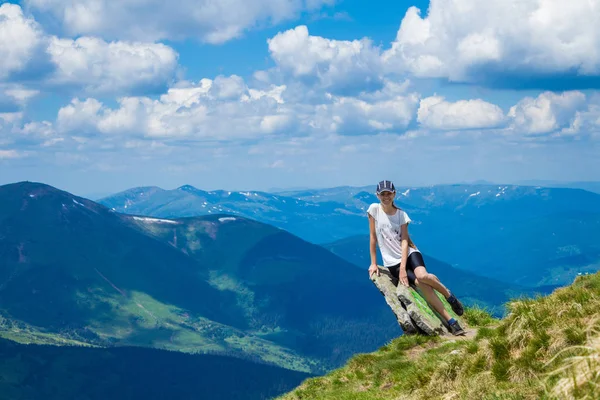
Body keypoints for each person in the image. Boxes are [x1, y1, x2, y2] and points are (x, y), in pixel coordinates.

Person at [367, 180, 466, 336]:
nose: (386, 197)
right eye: (382, 194)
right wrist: (373, 263)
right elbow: (373, 237)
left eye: (389, 193)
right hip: (392, 262)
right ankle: (451, 321)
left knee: (423, 276)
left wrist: (403, 271)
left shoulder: (401, 215)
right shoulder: (373, 210)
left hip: (410, 253)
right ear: (377, 195)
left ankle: (449, 296)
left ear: (394, 194)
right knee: (422, 283)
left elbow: (405, 240)